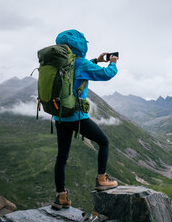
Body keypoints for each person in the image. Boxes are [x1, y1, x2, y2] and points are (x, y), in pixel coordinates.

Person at [51, 29, 118, 210]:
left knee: (61, 157)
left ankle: (61, 197)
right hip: (76, 116)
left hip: (59, 116)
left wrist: (96, 60)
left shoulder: (59, 62)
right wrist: (112, 63)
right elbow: (106, 74)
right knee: (104, 142)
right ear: (80, 45)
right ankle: (102, 179)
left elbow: (79, 69)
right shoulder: (80, 63)